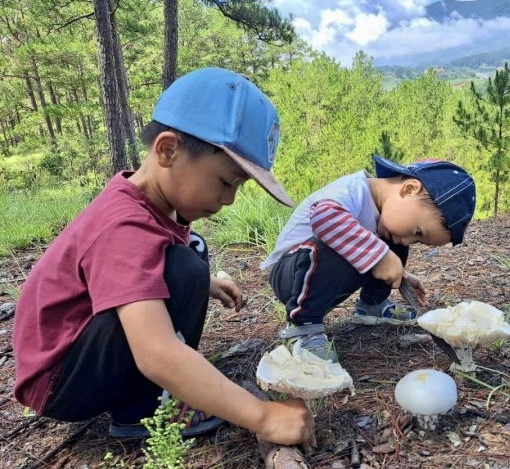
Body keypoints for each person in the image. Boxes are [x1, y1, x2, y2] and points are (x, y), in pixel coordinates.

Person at [12, 67, 316, 448]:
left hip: (83, 355)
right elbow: (155, 352)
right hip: (60, 381)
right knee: (183, 264)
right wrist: (262, 415)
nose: (228, 200)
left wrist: (204, 283)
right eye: (225, 181)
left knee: (193, 254)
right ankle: (143, 410)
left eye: (238, 187)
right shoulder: (123, 226)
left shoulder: (155, 205)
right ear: (168, 150)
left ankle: (163, 389)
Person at [261, 155, 476, 362]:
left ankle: (373, 303)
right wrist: (381, 256)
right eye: (418, 232)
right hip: (292, 278)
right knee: (347, 239)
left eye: (418, 241)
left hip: (322, 279)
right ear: (409, 189)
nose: (409, 241)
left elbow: (369, 247)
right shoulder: (353, 190)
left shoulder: (384, 213)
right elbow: (324, 218)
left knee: (391, 240)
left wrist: (401, 273)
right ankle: (302, 328)